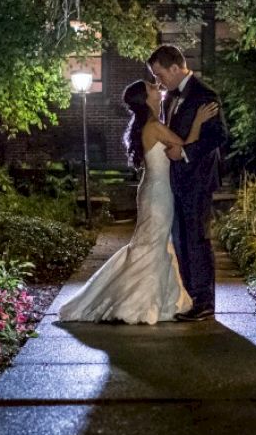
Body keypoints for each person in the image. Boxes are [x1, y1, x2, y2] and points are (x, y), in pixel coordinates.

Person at [57, 78, 219, 324]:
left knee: (152, 243)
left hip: (152, 189)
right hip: (159, 193)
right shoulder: (153, 125)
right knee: (152, 244)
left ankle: (152, 297)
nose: (157, 88)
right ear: (145, 99)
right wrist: (197, 121)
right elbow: (184, 147)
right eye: (152, 88)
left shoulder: (151, 122)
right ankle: (136, 301)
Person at [147, 44, 227, 322]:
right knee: (181, 239)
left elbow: (217, 137)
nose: (159, 81)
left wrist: (184, 152)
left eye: (160, 74)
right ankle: (190, 297)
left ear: (175, 67)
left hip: (199, 178)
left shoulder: (205, 95)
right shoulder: (170, 98)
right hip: (177, 178)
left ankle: (204, 302)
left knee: (197, 238)